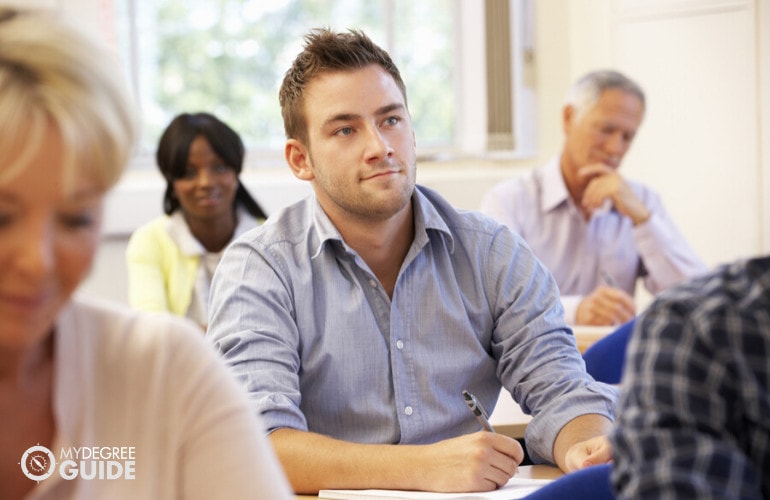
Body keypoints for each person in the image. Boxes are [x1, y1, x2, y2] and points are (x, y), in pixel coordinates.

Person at [207, 28, 619, 495]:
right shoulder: (260, 268)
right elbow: (255, 445)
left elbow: (563, 391)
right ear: (300, 159)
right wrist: (419, 466)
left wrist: (584, 444)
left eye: (390, 120)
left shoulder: (491, 251)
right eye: (346, 129)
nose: (379, 146)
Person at [0, 8, 292, 499]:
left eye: (76, 219)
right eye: (2, 217)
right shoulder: (155, 245)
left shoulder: (167, 371)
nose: (39, 261)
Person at [479, 70, 707, 326]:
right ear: (568, 118)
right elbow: (492, 299)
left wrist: (643, 220)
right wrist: (576, 311)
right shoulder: (509, 201)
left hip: (612, 362)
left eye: (627, 137)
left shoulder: (641, 201)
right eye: (606, 130)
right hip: (534, 361)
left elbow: (701, 296)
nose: (615, 148)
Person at [611, 255, 770, 498]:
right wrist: (576, 307)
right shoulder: (697, 326)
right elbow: (686, 286)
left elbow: (686, 275)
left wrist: (644, 220)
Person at [126, 112, 267, 330]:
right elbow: (151, 332)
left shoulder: (270, 238)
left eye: (219, 168)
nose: (205, 182)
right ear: (172, 182)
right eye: (189, 173)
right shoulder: (150, 240)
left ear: (236, 172)